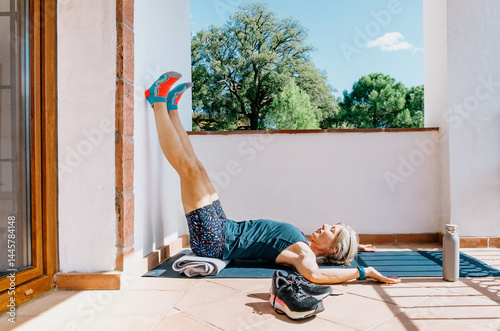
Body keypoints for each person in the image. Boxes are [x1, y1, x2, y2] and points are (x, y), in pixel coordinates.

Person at [145, 72, 401, 285]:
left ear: (333, 248)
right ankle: (172, 108)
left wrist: (364, 272)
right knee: (197, 167)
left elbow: (316, 275)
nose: (325, 225)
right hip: (223, 225)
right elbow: (332, 256)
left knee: (187, 169)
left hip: (215, 240)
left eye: (332, 230)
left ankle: (157, 100)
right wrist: (358, 247)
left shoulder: (303, 255)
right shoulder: (309, 246)